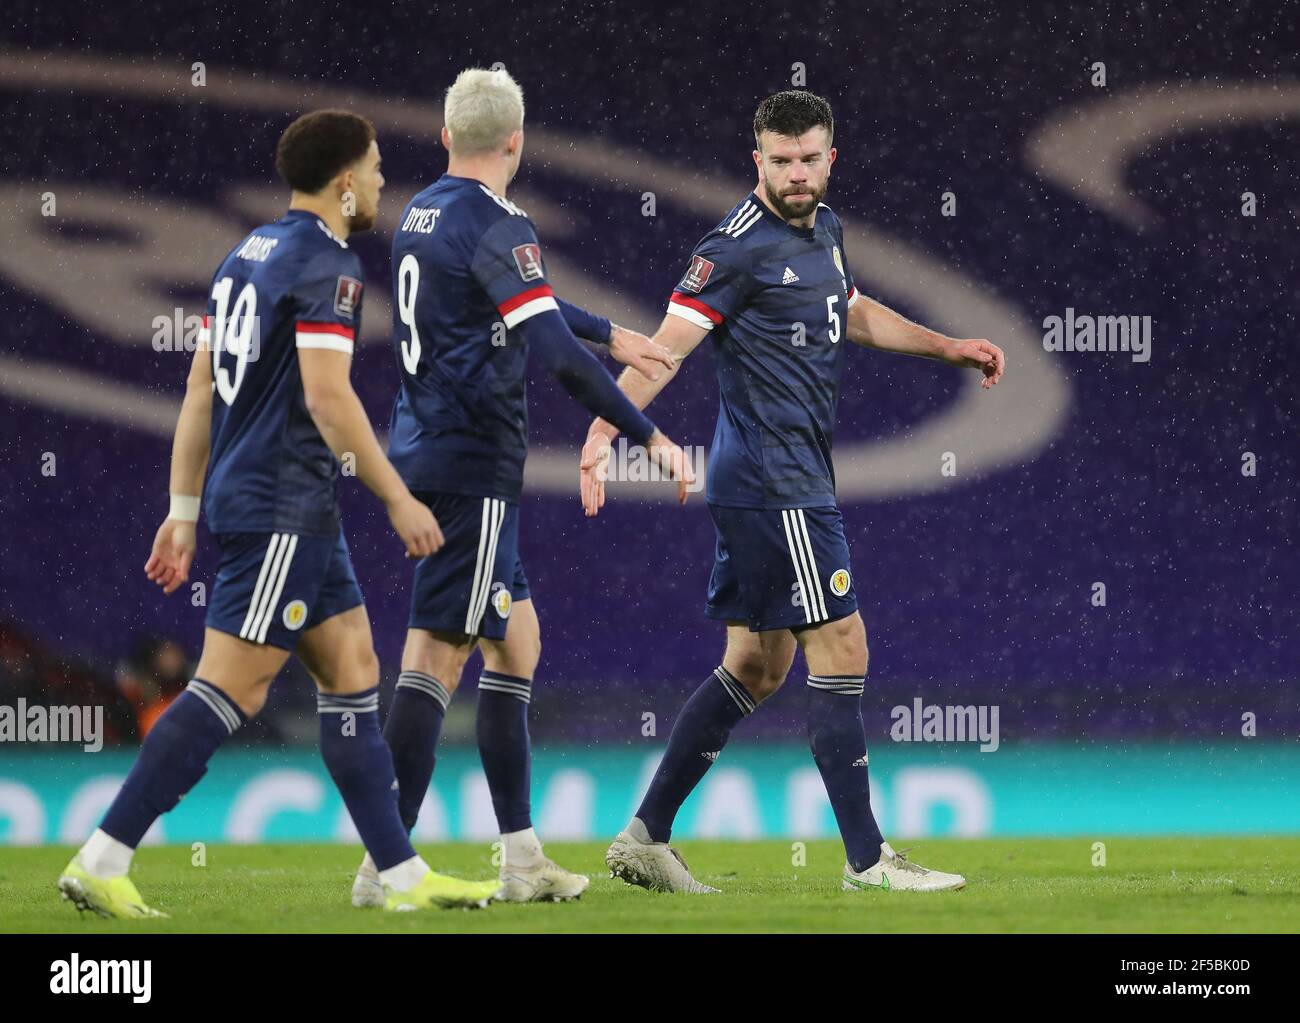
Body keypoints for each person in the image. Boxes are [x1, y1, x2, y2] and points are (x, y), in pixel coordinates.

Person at [58, 109, 500, 918]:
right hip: (282, 506)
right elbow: (329, 399)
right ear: (342, 182)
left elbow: (199, 389)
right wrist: (398, 498)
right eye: (371, 170)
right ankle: (103, 854)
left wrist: (183, 508)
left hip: (284, 506)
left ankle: (398, 875)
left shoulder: (243, 254)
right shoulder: (327, 266)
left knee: (352, 668)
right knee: (232, 688)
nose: (377, 183)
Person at [581, 91, 1005, 894]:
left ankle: (644, 837)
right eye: (781, 160)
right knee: (842, 644)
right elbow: (664, 349)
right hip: (776, 482)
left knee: (756, 661)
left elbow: (851, 311)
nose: (797, 172)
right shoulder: (732, 248)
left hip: (775, 479)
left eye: (810, 158)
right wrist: (606, 430)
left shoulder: (829, 231)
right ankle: (868, 860)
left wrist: (949, 346)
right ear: (758, 161)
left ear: (830, 158)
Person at [350, 68, 691, 906]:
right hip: (471, 465)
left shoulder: (421, 213)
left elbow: (523, 302)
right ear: (517, 142)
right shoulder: (502, 223)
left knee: (517, 641)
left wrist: (611, 331)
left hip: (429, 449)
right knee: (436, 654)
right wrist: (650, 437)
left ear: (444, 138)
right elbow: (551, 349)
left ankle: (522, 854)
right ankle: (384, 866)